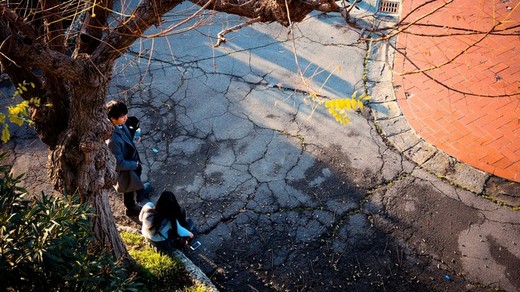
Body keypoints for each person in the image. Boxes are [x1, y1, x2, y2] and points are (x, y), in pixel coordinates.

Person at [105, 100, 151, 216]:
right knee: (129, 188)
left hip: (132, 160)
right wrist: (134, 164)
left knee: (137, 175)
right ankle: (130, 207)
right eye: (122, 117)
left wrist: (134, 137)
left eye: (125, 114)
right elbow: (118, 163)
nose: (125, 118)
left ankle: (140, 192)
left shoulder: (120, 124)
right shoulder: (112, 140)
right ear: (112, 119)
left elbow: (126, 136)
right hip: (126, 168)